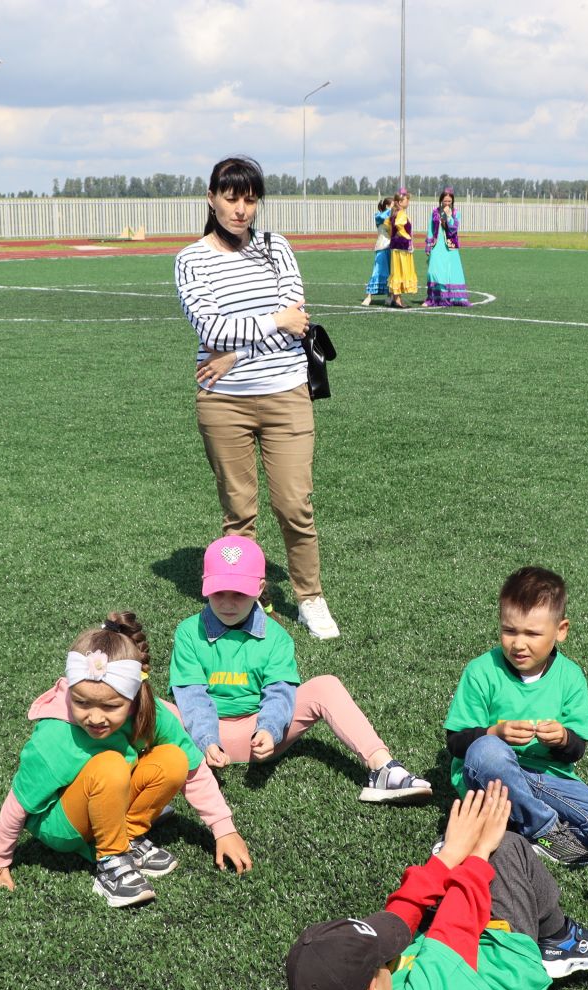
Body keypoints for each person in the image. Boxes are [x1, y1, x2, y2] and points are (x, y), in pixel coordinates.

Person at [284, 781, 588, 990]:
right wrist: (478, 853)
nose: (387, 956)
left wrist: (448, 858)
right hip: (502, 969)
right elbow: (453, 931)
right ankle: (557, 938)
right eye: (382, 960)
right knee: (508, 848)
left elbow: (396, 920)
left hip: (443, 960)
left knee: (450, 869)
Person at [173, 155, 340, 641]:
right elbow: (209, 325)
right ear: (211, 198)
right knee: (238, 513)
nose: (241, 209)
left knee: (295, 505)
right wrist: (262, 331)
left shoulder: (275, 246)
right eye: (231, 197)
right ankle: (243, 600)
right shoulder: (191, 259)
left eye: (250, 199)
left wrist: (231, 354)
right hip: (223, 402)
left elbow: (297, 318)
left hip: (287, 394)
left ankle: (310, 598)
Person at [0, 614, 215, 908]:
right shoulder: (56, 736)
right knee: (109, 764)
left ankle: (127, 836)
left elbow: (193, 768)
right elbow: (19, 801)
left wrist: (224, 830)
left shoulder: (148, 713)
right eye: (82, 702)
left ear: (133, 698)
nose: (95, 717)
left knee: (173, 758)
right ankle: (111, 860)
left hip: (106, 794)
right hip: (61, 823)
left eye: (110, 706)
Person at [169, 535, 433, 802]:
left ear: (259, 588)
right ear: (205, 585)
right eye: (218, 592)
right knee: (143, 702)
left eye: (238, 594)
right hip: (199, 734)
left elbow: (279, 691)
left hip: (260, 735)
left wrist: (269, 729)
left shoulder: (277, 636)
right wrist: (206, 738)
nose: (227, 603)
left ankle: (384, 768)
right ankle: (133, 788)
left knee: (325, 685)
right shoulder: (189, 632)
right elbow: (192, 696)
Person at [444, 566, 588, 867]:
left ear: (561, 630)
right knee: (488, 752)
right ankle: (545, 831)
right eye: (509, 631)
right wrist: (495, 733)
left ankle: (509, 829)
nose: (518, 644)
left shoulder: (570, 676)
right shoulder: (481, 670)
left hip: (548, 778)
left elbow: (577, 749)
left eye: (532, 633)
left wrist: (562, 738)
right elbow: (456, 742)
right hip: (490, 778)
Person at [424, 188, 471, 307]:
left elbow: (453, 229)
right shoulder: (435, 212)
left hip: (450, 247)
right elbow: (430, 229)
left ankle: (451, 298)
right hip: (437, 245)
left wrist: (449, 216)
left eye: (449, 201)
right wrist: (428, 246)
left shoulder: (456, 213)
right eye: (445, 201)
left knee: (449, 272)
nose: (447, 203)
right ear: (441, 200)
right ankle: (433, 298)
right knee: (433, 271)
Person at [385, 190, 417, 308]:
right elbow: (399, 225)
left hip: (396, 246)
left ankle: (396, 298)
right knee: (400, 271)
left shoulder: (394, 213)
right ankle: (397, 300)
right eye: (406, 200)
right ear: (399, 202)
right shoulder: (401, 213)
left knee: (396, 272)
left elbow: (387, 225)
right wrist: (407, 237)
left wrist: (393, 237)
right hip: (402, 247)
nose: (408, 202)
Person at [361, 196, 392, 305]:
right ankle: (369, 296)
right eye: (393, 205)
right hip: (382, 247)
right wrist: (391, 211)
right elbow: (384, 216)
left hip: (392, 248)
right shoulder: (379, 216)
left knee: (391, 273)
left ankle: (390, 296)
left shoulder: (392, 216)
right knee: (378, 271)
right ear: (388, 206)